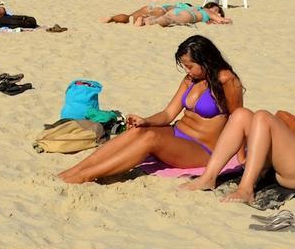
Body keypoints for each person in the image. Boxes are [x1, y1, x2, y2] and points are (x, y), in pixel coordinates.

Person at [59, 35, 245, 183]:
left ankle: (86, 175)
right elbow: (168, 114)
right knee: (140, 131)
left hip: (202, 148)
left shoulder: (227, 81)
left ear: (206, 60)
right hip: (177, 134)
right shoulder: (191, 80)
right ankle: (77, 169)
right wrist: (145, 121)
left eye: (190, 66)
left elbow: (239, 120)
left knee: (150, 137)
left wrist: (241, 157)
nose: (187, 71)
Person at [103, 1, 229, 27]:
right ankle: (146, 20)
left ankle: (112, 18)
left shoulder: (191, 7)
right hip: (165, 11)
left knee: (129, 16)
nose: (216, 13)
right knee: (164, 19)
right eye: (216, 10)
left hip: (158, 7)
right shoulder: (201, 11)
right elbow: (223, 20)